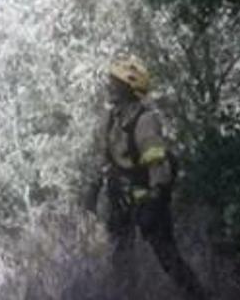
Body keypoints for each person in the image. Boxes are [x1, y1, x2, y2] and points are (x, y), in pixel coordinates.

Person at [85, 56, 206, 299]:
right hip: (120, 198)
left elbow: (157, 163)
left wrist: (155, 199)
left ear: (128, 89)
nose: (109, 86)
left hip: (148, 199)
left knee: (167, 257)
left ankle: (199, 295)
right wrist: (93, 189)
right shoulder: (109, 119)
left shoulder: (145, 121)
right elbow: (103, 158)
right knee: (121, 260)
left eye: (114, 82)